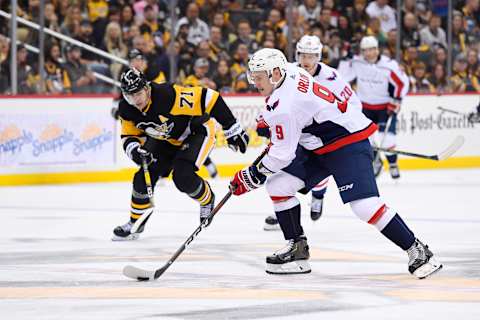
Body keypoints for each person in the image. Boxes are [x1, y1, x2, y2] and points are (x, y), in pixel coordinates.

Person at [229, 48, 442, 279]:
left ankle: (419, 250)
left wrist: (251, 176)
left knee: (365, 206)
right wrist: (269, 122)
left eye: (259, 77)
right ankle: (297, 250)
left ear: (275, 74)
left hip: (347, 143)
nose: (254, 82)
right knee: (279, 186)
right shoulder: (290, 71)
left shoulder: (285, 107)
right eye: (254, 76)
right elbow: (284, 116)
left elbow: (282, 154)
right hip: (320, 145)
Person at [112, 68, 249, 240]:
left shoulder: (167, 96)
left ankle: (207, 199)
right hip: (168, 139)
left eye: (138, 94)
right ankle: (135, 223)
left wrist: (231, 127)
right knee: (143, 176)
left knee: (182, 177)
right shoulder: (126, 108)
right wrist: (135, 151)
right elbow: (129, 135)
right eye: (129, 96)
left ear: (147, 88)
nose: (135, 100)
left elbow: (210, 97)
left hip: (197, 131)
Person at [262, 35, 363, 231]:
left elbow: (354, 105)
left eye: (311, 56)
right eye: (303, 55)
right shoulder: (288, 72)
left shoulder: (332, 77)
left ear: (319, 56)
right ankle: (281, 211)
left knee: (316, 168)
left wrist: (350, 130)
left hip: (324, 136)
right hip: (298, 133)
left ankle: (318, 196)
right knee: (282, 173)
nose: (306, 61)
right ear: (297, 54)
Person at [338, 36, 410, 179]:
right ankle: (377, 162)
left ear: (377, 49)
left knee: (387, 139)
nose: (369, 53)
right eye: (365, 50)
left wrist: (395, 100)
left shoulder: (388, 65)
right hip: (365, 107)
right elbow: (342, 77)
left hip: (385, 107)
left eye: (372, 49)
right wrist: (346, 60)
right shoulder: (357, 63)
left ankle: (393, 163)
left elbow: (402, 83)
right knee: (367, 139)